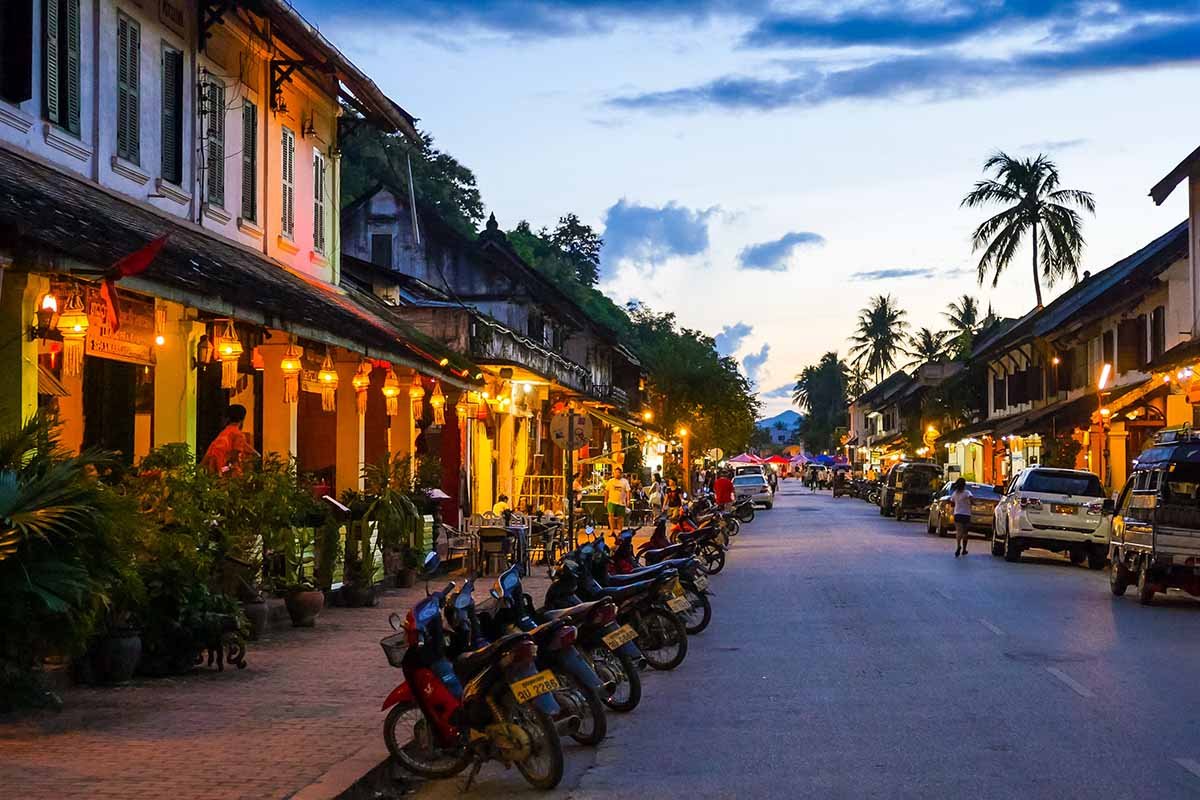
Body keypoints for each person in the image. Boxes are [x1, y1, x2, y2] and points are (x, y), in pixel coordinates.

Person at [200, 404, 258, 476]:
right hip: (225, 471)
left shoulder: (224, 432)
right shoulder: (238, 434)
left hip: (215, 470)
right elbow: (234, 460)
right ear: (242, 419)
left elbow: (208, 454)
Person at [950, 477, 973, 557]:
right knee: (965, 533)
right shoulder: (967, 493)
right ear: (964, 485)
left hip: (957, 514)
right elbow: (972, 500)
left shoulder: (955, 493)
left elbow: (952, 503)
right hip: (966, 514)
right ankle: (964, 549)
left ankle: (958, 545)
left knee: (959, 531)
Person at [605, 467, 631, 534]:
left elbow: (628, 491)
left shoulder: (625, 481)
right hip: (611, 501)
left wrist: (628, 500)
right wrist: (605, 500)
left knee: (620, 517)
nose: (617, 474)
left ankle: (620, 530)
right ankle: (612, 530)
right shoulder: (610, 481)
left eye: (618, 473)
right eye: (615, 473)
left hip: (621, 502)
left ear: (621, 473)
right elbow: (607, 491)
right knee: (611, 516)